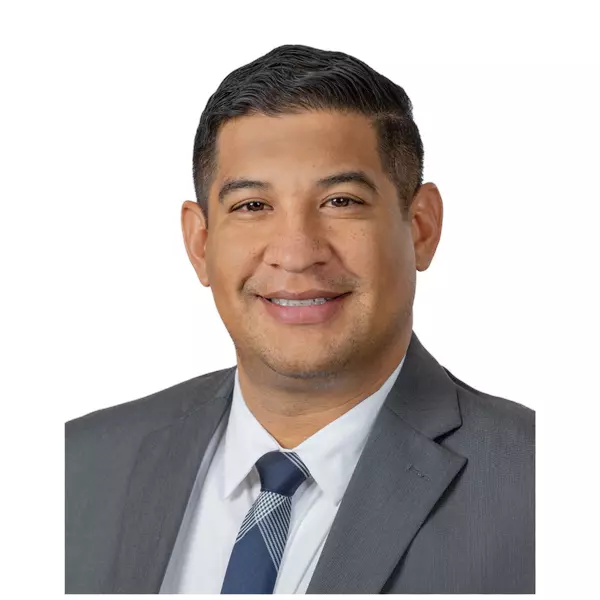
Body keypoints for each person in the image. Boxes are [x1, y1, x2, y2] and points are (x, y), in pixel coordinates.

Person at [65, 44, 535, 594]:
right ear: (200, 242)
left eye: (341, 201)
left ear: (421, 228)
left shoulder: (542, 485)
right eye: (252, 206)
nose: (295, 253)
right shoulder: (76, 466)